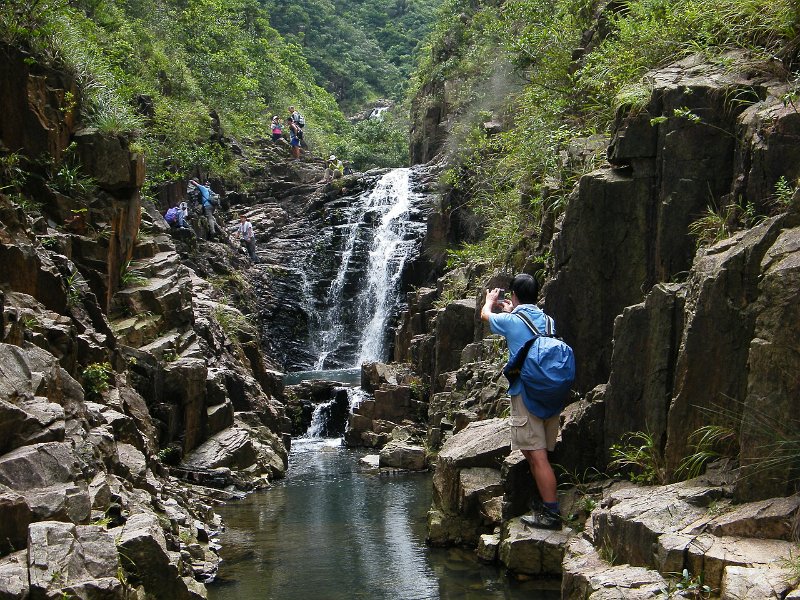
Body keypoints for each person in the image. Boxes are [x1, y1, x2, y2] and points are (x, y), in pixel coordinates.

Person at [480, 273, 562, 530]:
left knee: (537, 457)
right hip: (550, 391)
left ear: (514, 295)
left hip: (526, 393)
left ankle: (551, 513)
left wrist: (489, 300)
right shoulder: (548, 320)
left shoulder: (511, 321)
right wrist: (513, 310)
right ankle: (544, 501)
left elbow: (485, 316)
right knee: (541, 452)